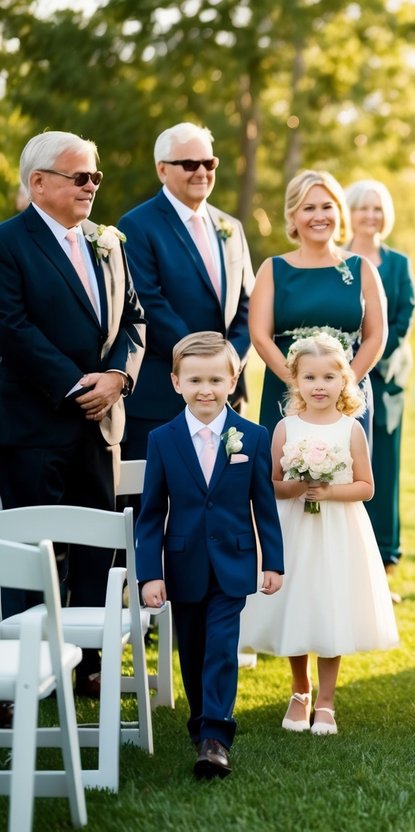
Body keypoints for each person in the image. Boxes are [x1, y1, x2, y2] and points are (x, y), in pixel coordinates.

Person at [0, 131, 146, 695]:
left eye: (95, 176)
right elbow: (10, 326)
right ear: (38, 183)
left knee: (96, 551)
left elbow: (134, 318)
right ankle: (17, 675)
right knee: (28, 552)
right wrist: (73, 385)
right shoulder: (7, 244)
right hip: (34, 426)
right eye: (79, 176)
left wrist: (117, 379)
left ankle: (88, 666)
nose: (91, 186)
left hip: (102, 424)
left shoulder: (108, 243)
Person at [134, 332, 283, 778]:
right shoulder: (162, 439)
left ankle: (216, 736)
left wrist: (272, 561)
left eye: (216, 379)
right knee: (193, 649)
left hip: (234, 562)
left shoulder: (252, 438)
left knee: (221, 646)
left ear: (233, 378)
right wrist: (149, 574)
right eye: (195, 379)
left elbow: (265, 506)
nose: (206, 389)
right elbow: (151, 513)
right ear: (176, 381)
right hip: (182, 563)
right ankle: (201, 722)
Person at [240, 333, 399, 736]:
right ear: (295, 381)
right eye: (310, 377)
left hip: (338, 532)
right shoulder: (285, 428)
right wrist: (294, 487)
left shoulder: (351, 430)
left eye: (329, 377)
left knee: (331, 607)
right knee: (297, 603)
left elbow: (367, 486)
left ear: (344, 381)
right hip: (294, 529)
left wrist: (328, 490)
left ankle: (326, 701)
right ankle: (299, 690)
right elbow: (270, 482)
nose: (319, 386)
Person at [119, 123, 255, 459]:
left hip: (227, 396)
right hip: (162, 398)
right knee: (154, 503)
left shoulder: (231, 227)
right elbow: (149, 303)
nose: (201, 172)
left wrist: (230, 361)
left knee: (221, 504)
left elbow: (249, 304)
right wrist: (202, 363)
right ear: (162, 169)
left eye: (209, 164)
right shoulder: (137, 226)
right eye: (189, 164)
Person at [248, 170, 386, 437]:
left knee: (347, 476)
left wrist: (344, 385)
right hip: (286, 393)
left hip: (348, 395)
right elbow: (260, 336)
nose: (319, 216)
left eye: (327, 206)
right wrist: (300, 387)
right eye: (308, 208)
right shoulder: (272, 269)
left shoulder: (362, 268)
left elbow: (377, 336)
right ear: (293, 215)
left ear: (339, 211)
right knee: (286, 474)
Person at [345, 179, 415, 584]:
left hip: (385, 379)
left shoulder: (399, 263)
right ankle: (349, 555)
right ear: (349, 213)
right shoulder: (335, 260)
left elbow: (404, 318)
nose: (370, 215)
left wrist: (370, 363)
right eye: (362, 208)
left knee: (383, 467)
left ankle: (386, 556)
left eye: (377, 208)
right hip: (333, 379)